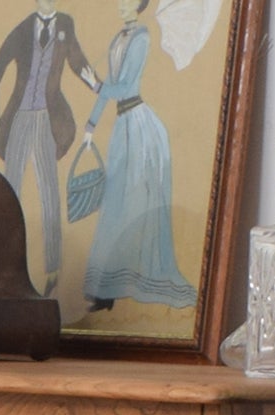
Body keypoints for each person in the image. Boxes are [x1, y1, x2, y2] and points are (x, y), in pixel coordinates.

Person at [79, 0, 194, 311]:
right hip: (122, 127)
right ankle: (106, 291)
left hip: (141, 130)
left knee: (131, 206)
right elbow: (109, 88)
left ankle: (121, 286)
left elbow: (125, 86)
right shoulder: (118, 38)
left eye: (128, 0)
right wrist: (90, 124)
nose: (121, 4)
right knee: (115, 204)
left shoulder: (143, 38)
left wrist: (96, 85)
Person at [0, 0, 99, 297]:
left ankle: (52, 269)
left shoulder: (65, 24)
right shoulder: (23, 29)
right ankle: (1, 264)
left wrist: (98, 86)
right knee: (10, 190)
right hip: (20, 119)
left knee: (49, 189)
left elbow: (77, 60)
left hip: (48, 119)